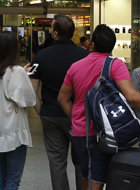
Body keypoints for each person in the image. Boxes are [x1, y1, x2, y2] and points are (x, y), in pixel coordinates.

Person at [59, 24, 140, 190]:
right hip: (107, 132)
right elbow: (132, 96)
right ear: (111, 46)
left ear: (92, 44)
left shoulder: (75, 67)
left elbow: (62, 98)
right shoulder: (115, 65)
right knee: (97, 181)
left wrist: (77, 118)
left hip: (81, 133)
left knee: (89, 177)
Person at [31, 15, 89, 190]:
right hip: (78, 116)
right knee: (81, 162)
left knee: (57, 163)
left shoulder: (41, 56)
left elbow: (32, 91)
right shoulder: (84, 56)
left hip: (51, 115)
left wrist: (41, 111)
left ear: (55, 34)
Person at [0, 31, 37, 190]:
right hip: (14, 131)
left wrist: (22, 72)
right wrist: (24, 76)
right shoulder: (16, 72)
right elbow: (28, 99)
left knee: (2, 178)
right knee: (13, 181)